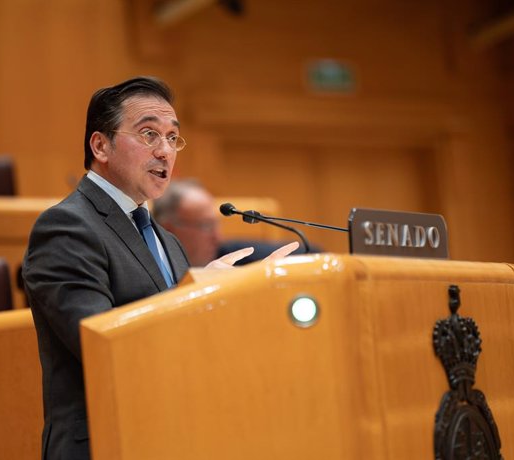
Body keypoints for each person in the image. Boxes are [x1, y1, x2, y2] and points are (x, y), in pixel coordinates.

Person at [22, 76, 296, 460]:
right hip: (104, 443)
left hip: (173, 435)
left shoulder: (167, 241)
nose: (165, 151)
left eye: (172, 137)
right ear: (101, 145)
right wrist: (193, 294)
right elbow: (98, 342)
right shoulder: (66, 227)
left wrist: (236, 301)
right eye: (149, 134)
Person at [153, 178, 315, 266]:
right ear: (169, 228)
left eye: (215, 224)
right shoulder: (152, 270)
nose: (217, 237)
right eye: (206, 226)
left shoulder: (230, 255)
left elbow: (314, 254)